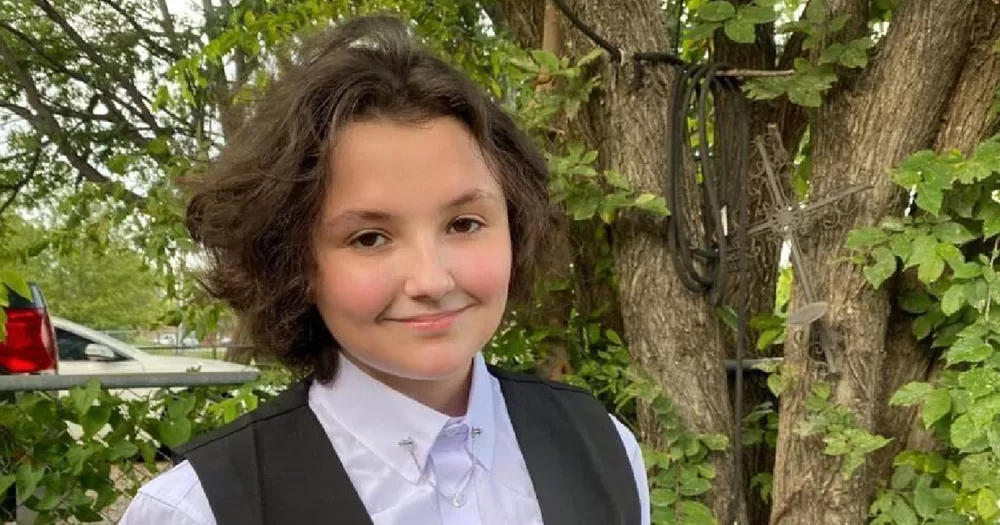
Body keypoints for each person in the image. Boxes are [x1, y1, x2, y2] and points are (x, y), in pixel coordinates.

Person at [120, 13, 650, 525]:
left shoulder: (602, 447)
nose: (432, 281)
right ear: (296, 264)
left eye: (464, 224)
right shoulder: (197, 511)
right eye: (369, 238)